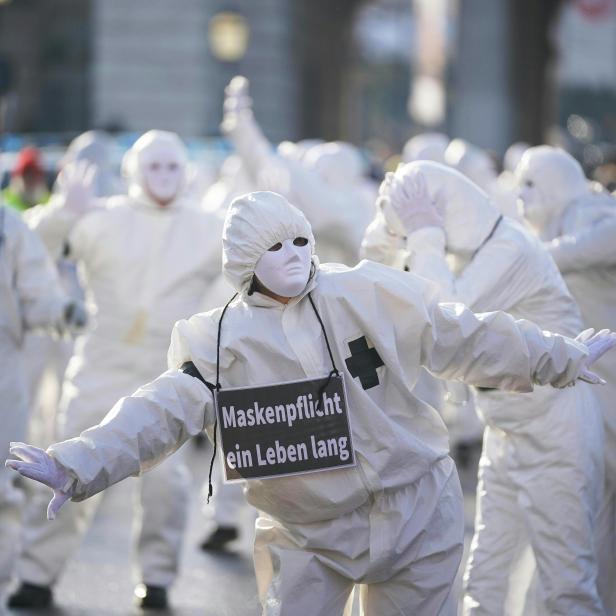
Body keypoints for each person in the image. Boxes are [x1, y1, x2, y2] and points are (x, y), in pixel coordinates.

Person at [6, 190, 616, 616]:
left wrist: (557, 356)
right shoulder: (220, 339)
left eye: (300, 239)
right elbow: (159, 409)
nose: (295, 254)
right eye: (275, 248)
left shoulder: (367, 293)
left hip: (417, 512)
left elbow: (460, 333)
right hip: (307, 533)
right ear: (245, 263)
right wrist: (78, 464)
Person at [361, 161, 608, 615]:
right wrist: (394, 232)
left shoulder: (508, 247)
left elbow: (441, 316)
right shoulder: (467, 252)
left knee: (566, 580)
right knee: (485, 570)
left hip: (555, 431)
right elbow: (387, 282)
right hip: (506, 425)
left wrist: (424, 234)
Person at [8, 130, 223, 611]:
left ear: (186, 172)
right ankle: (37, 575)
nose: (164, 177)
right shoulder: (102, 217)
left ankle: (158, 578)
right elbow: (34, 247)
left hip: (167, 371)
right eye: (154, 166)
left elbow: (250, 265)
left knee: (166, 484)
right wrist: (66, 210)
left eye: (172, 166)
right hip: (100, 364)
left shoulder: (208, 226)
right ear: (133, 171)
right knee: (63, 466)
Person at [516, 145, 616, 614]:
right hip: (578, 395)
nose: (521, 194)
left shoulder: (589, 212)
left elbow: (589, 248)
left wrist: (522, 253)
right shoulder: (554, 225)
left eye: (532, 183)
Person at [0, 204, 84, 597]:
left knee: (3, 489)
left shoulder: (8, 226)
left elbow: (37, 292)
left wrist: (62, 311)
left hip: (3, 371)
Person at [221, 76, 376, 265]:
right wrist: (242, 127)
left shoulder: (354, 203)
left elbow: (270, 168)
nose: (316, 173)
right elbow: (265, 168)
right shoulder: (327, 199)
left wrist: (243, 127)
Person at [2, 147, 50, 213]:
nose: (30, 179)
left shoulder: (48, 203)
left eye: (34, 174)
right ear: (17, 176)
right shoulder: (4, 201)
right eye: (26, 174)